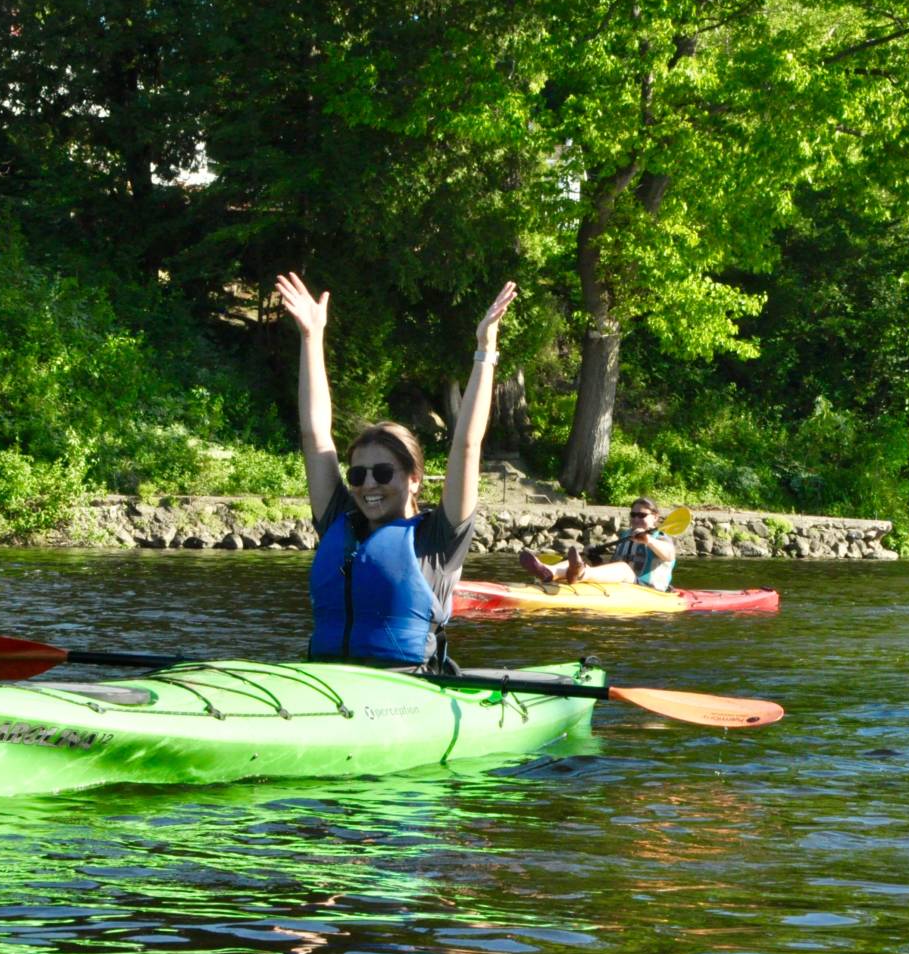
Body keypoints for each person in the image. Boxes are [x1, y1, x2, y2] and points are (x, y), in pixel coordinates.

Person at [277, 271, 516, 670]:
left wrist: (485, 351)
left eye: (383, 474)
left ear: (413, 479)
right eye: (358, 475)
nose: (368, 484)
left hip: (404, 689)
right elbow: (315, 434)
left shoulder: (438, 539)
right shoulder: (339, 520)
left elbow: (467, 444)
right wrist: (311, 338)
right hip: (325, 684)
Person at [520, 496, 677, 591]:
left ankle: (580, 573)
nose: (636, 519)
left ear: (655, 517)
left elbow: (669, 555)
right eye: (633, 515)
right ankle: (550, 571)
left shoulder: (661, 538)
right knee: (583, 561)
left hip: (648, 590)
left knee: (623, 568)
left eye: (641, 515)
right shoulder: (626, 536)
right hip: (625, 584)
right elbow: (612, 568)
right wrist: (595, 559)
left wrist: (648, 540)